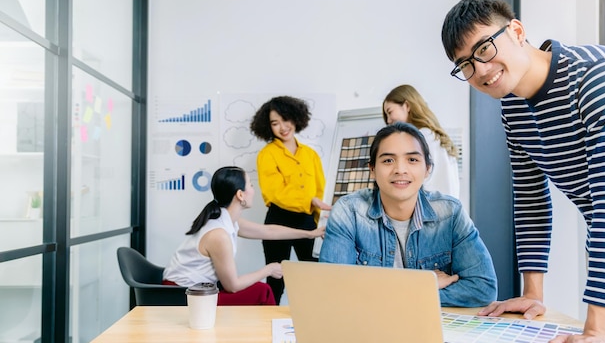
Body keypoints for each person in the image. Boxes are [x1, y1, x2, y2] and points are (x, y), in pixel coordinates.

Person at [441, 0, 605, 343]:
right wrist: (533, 295)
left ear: (517, 31)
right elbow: (531, 200)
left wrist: (597, 331)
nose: (481, 70)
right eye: (465, 64)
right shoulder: (513, 107)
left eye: (484, 49)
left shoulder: (598, 78)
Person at [319, 122, 497, 307]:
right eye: (388, 160)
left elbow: (482, 288)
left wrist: (385, 294)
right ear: (372, 169)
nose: (400, 170)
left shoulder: (450, 213)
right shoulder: (349, 212)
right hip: (369, 326)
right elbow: (333, 288)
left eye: (412, 160)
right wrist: (418, 286)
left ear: (427, 169)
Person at [162, 166, 325, 306]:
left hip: (195, 291)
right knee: (263, 291)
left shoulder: (227, 220)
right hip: (183, 297)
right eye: (251, 185)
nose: (253, 191)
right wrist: (268, 270)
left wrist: (310, 234)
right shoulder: (219, 234)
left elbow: (269, 231)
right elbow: (232, 285)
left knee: (261, 290)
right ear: (240, 195)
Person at [250, 96, 332, 305]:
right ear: (268, 127)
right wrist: (310, 200)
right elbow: (274, 192)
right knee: (277, 275)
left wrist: (315, 213)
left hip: (307, 218)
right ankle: (269, 318)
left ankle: (317, 314)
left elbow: (320, 187)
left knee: (313, 270)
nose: (282, 127)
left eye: (285, 120)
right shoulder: (267, 154)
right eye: (274, 123)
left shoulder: (310, 154)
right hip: (279, 218)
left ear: (295, 118)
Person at [382, 84, 460, 198]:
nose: (388, 120)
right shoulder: (434, 135)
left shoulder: (421, 137)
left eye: (390, 112)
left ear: (407, 106)